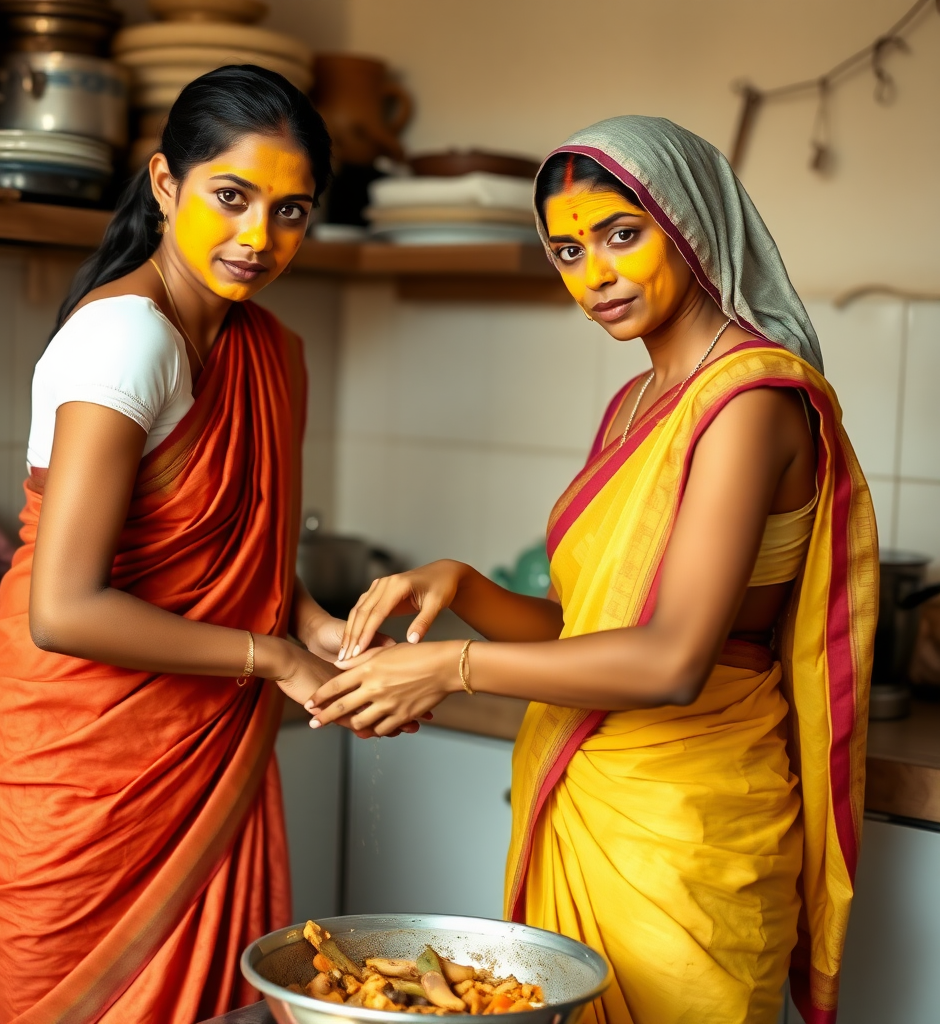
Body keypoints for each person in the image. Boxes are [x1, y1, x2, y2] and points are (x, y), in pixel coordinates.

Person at [306, 116, 877, 1024]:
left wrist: (447, 667)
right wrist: (465, 587)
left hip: (686, 831)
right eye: (567, 249)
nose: (594, 273)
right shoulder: (641, 400)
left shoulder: (750, 404)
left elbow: (669, 661)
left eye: (621, 233)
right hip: (603, 797)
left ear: (690, 222)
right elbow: (593, 635)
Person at [0, 65, 402, 1024]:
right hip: (76, 768)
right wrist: (272, 655)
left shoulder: (270, 348)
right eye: (231, 197)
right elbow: (64, 609)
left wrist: (317, 625)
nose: (257, 237)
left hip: (195, 745)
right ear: (164, 185)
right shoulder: (126, 342)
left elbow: (246, 556)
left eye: (290, 211)